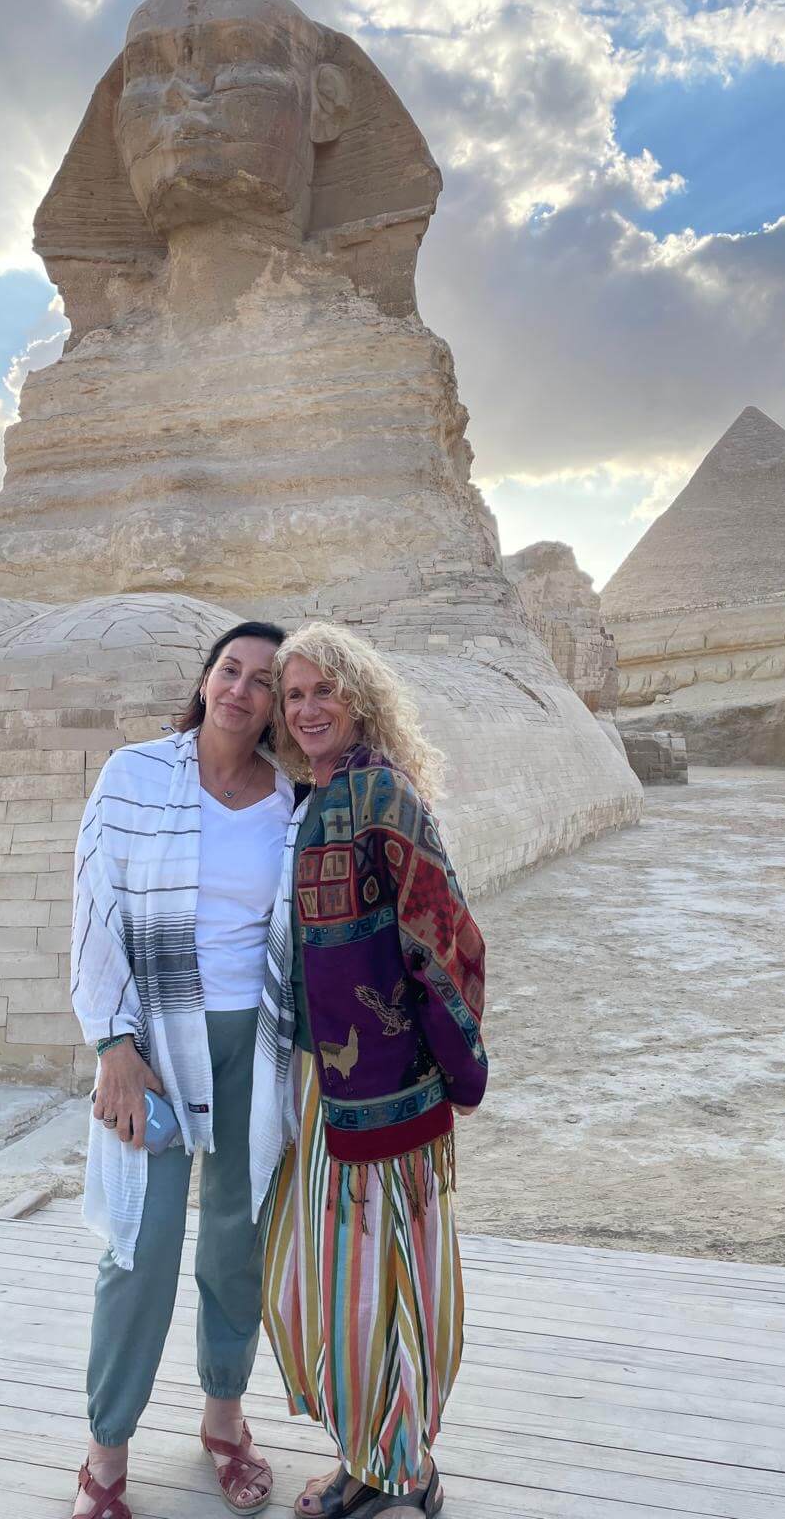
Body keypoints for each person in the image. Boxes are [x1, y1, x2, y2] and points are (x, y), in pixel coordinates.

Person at [69, 622, 298, 1519]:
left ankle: (224, 1419)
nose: (241, 689)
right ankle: (105, 1453)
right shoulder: (132, 776)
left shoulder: (292, 797)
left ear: (275, 705)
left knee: (237, 1243)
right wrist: (112, 1048)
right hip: (155, 1048)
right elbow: (93, 912)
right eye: (229, 670)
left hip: (258, 1046)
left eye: (263, 680)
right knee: (140, 1246)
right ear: (205, 680)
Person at [260, 622, 488, 1519]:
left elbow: (444, 934)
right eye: (294, 695)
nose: (307, 708)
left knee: (379, 1282)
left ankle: (394, 1471)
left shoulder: (381, 794)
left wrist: (453, 1066)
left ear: (359, 696)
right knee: (328, 1279)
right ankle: (376, 1456)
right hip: (320, 1086)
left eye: (324, 689)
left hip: (384, 1089)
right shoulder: (313, 800)